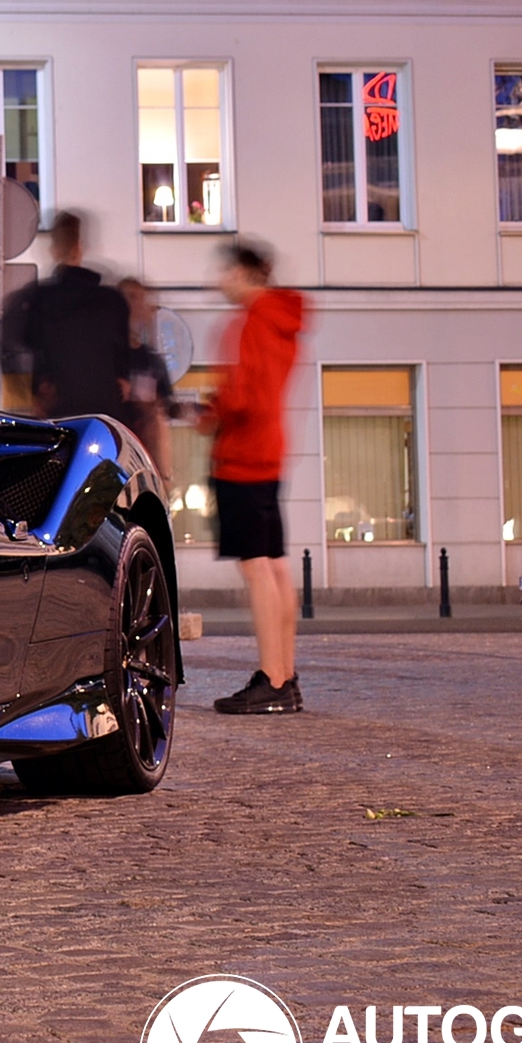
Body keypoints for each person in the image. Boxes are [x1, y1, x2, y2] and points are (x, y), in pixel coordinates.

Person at [203, 240, 310, 716]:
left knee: (255, 565)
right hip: (270, 450)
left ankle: (272, 677)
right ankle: (285, 674)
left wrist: (210, 410)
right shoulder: (282, 320)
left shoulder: (248, 321)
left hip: (242, 453)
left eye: (226, 272)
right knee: (274, 563)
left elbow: (243, 394)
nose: (220, 280)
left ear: (245, 273)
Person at [0, 209, 131, 423]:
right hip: (105, 412)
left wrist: (33, 391)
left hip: (58, 410)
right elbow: (124, 367)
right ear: (80, 247)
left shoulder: (36, 299)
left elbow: (11, 345)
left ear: (53, 250)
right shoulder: (112, 301)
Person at [118, 276, 176, 477]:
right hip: (115, 455)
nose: (137, 306)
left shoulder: (152, 361)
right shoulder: (105, 357)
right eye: (131, 298)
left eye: (142, 300)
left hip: (147, 463)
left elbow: (165, 410)